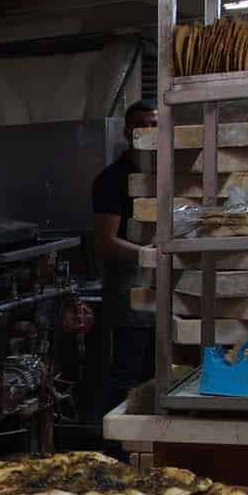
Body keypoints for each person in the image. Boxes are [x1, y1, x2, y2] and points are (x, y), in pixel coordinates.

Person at [91, 100, 158, 408]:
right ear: (128, 132)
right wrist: (149, 255)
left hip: (160, 296)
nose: (149, 131)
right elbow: (105, 242)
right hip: (129, 299)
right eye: (142, 125)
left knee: (155, 378)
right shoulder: (113, 179)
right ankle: (115, 451)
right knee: (126, 379)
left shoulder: (162, 175)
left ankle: (148, 451)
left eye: (155, 125)